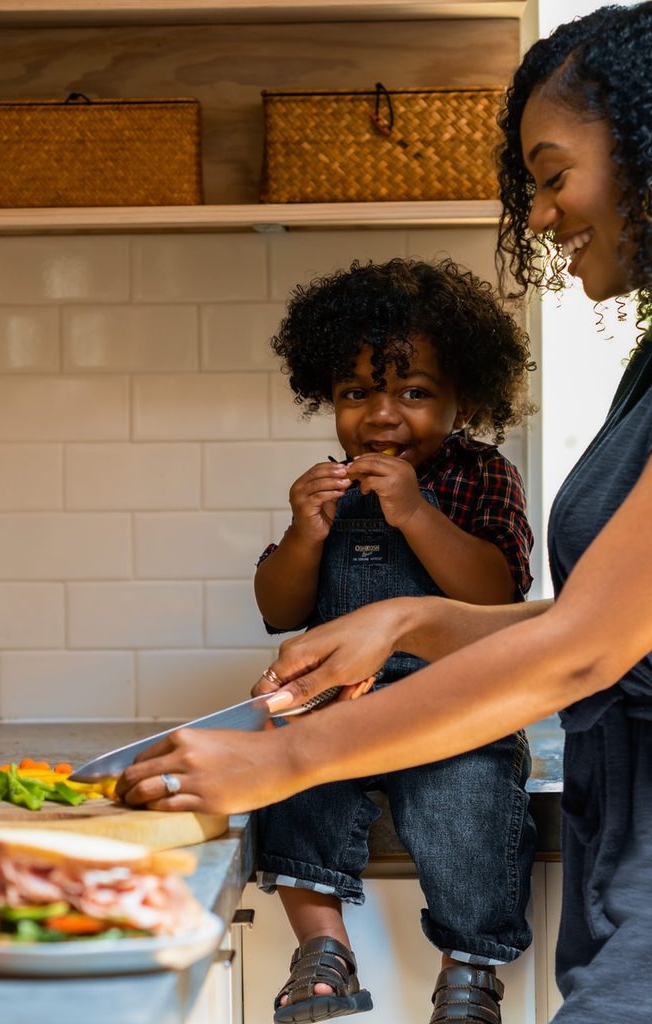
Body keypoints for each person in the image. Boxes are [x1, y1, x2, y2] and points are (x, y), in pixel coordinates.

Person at [118, 5, 652, 1023]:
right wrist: (406, 619)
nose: (538, 215)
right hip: (621, 874)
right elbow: (618, 622)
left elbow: (586, 651)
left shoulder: (469, 477)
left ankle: (467, 965)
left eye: (550, 174)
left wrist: (280, 758)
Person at [252, 257, 537, 1024]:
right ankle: (323, 952)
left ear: (463, 397)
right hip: (344, 708)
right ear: (328, 398)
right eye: (356, 394)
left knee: (465, 804)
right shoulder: (330, 487)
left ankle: (469, 974)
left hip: (456, 713)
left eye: (413, 391)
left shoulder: (483, 477)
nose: (381, 416)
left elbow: (498, 592)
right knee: (288, 779)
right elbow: (279, 608)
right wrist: (303, 536)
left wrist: (415, 514)